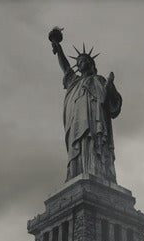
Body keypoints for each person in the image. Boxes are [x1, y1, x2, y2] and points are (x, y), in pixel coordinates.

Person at [49, 27, 121, 182]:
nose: (81, 63)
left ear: (91, 63)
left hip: (95, 120)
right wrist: (58, 48)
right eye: (79, 62)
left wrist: (110, 86)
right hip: (77, 122)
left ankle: (97, 169)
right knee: (79, 144)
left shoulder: (99, 80)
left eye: (84, 60)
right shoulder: (74, 81)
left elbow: (112, 104)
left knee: (94, 142)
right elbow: (66, 68)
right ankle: (77, 171)